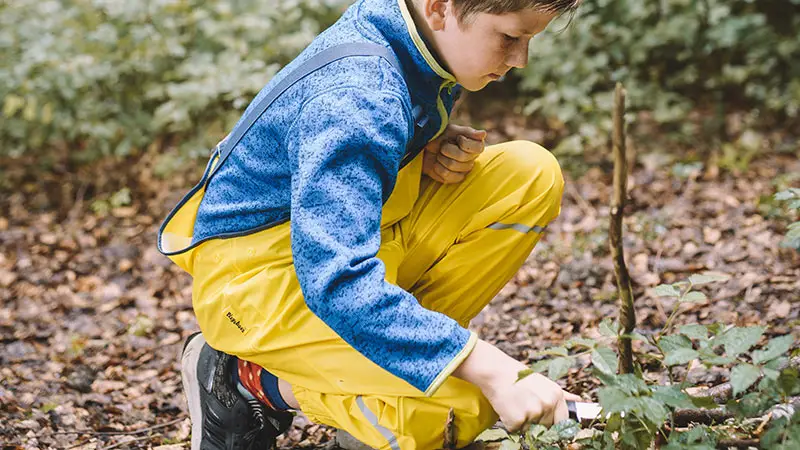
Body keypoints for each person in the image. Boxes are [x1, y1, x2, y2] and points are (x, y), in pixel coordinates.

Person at [158, 0, 582, 449]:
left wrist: (417, 146)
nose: (520, 59)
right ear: (440, 8)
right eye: (510, 37)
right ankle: (248, 382)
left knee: (529, 175)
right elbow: (337, 279)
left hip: (348, 248)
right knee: (464, 409)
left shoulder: (411, 30)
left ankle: (387, 365)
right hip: (260, 285)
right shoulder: (358, 96)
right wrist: (490, 368)